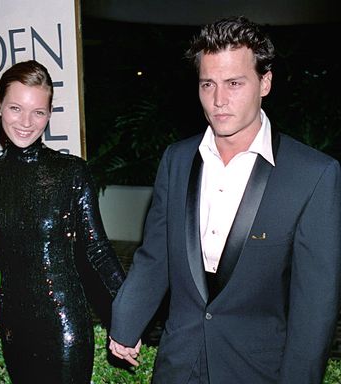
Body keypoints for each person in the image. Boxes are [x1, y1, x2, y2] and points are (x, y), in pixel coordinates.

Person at [108, 15, 341, 383]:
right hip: (179, 365)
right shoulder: (177, 159)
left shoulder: (313, 174)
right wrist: (126, 319)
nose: (218, 100)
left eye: (234, 83)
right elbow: (156, 255)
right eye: (208, 84)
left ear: (265, 82)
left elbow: (315, 307)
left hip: (257, 370)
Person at [0, 60, 125, 383]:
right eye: (15, 108)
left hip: (64, 323)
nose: (26, 122)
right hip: (14, 326)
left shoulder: (71, 172)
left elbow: (98, 251)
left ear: (49, 115)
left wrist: (131, 314)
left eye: (38, 112)